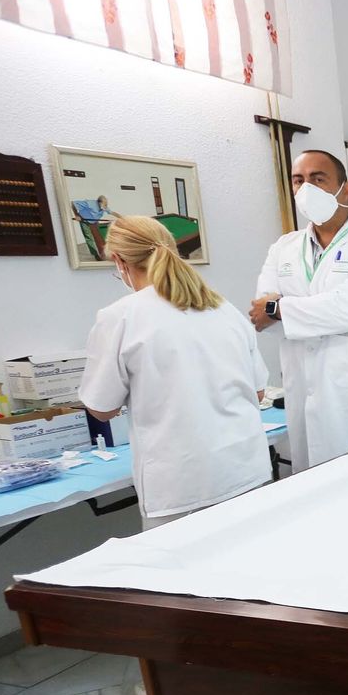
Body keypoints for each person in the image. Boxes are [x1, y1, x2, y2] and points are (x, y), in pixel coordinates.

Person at [79, 214, 270, 532]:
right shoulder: (223, 308)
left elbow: (102, 408)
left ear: (119, 261)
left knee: (183, 578)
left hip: (181, 485)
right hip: (245, 470)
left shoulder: (120, 317)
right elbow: (259, 392)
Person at [250, 149, 348, 471]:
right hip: (303, 399)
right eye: (299, 180)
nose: (306, 188)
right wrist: (340, 319)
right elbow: (260, 315)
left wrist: (282, 308)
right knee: (313, 500)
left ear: (345, 189)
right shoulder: (283, 248)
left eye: (318, 179)